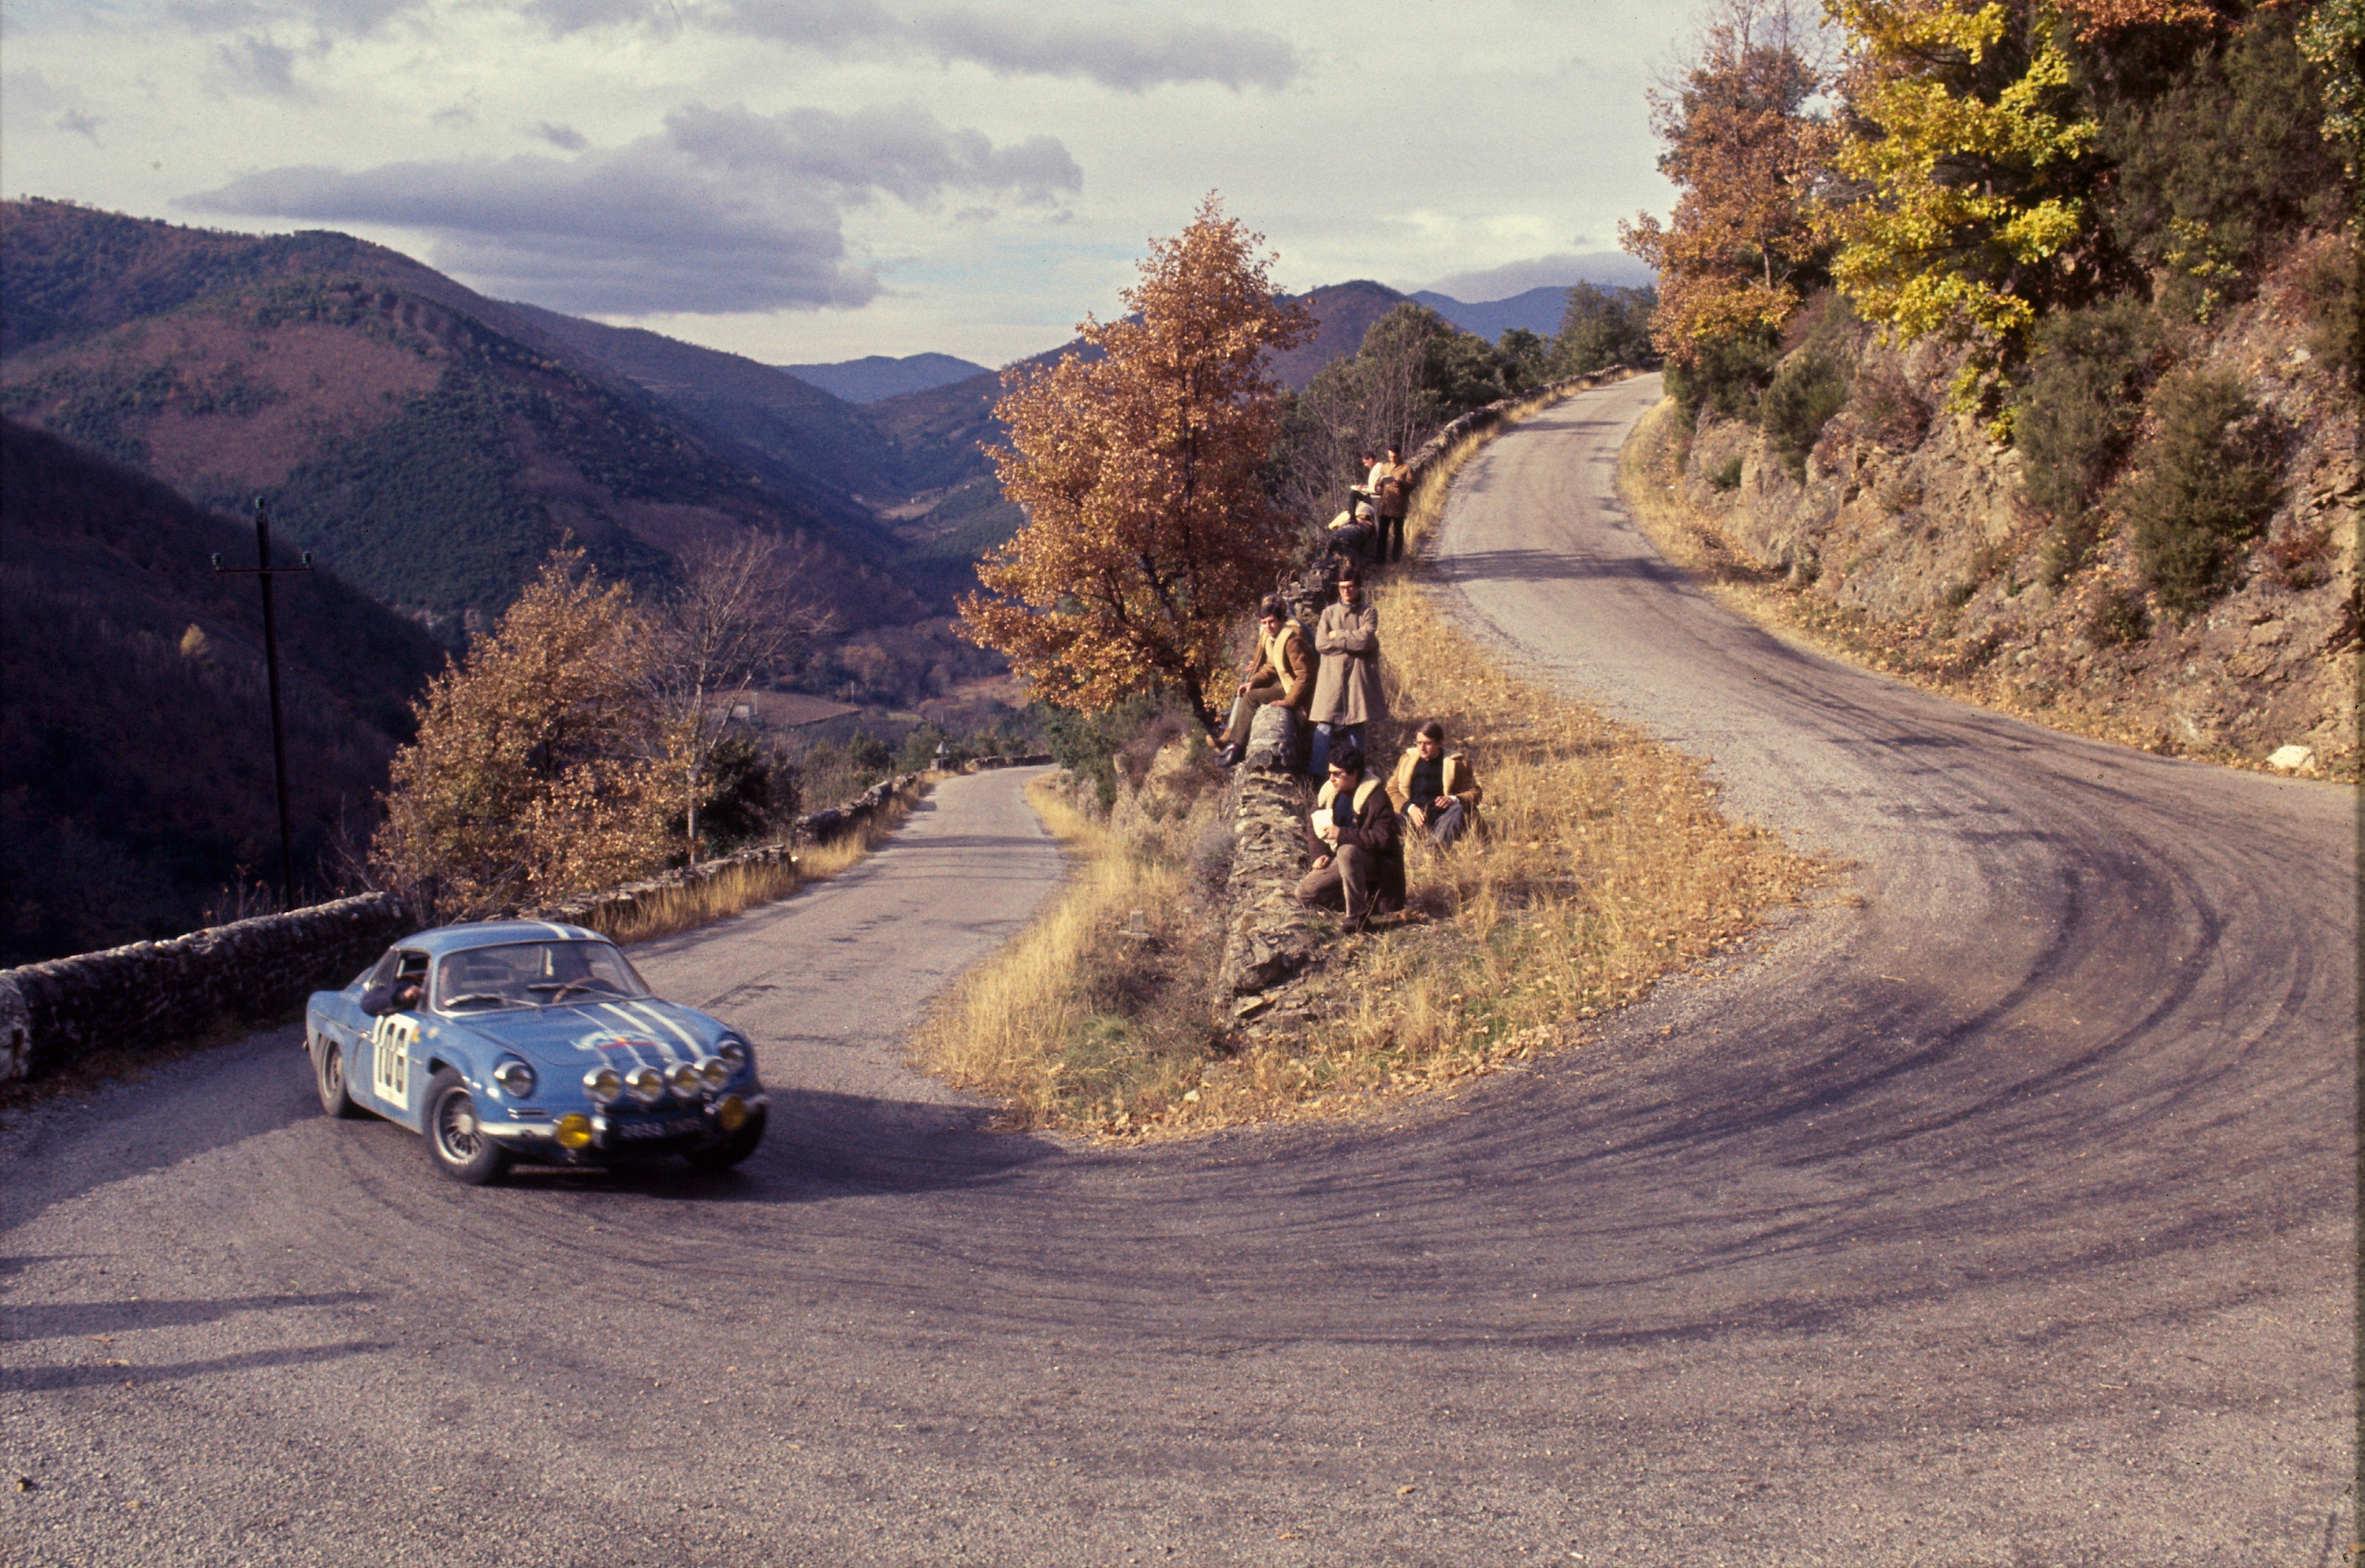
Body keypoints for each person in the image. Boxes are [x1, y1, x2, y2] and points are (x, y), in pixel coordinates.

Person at [1295, 743, 1405, 927]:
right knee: (1304, 893)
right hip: (1340, 859)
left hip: (1374, 862)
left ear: (1354, 774)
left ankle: (1357, 916)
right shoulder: (1331, 792)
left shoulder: (1376, 798)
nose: (1331, 779)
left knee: (1347, 851)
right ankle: (1361, 901)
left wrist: (1342, 834)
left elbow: (1383, 839)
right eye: (1330, 773)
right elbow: (1314, 820)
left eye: (1338, 774)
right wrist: (1320, 853)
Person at [1216, 596, 1313, 765]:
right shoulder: (1272, 638)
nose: (1268, 626)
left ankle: (1237, 747)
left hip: (1295, 688)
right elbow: (1271, 666)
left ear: (1281, 620)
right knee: (1251, 691)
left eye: (1272, 622)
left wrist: (1289, 701)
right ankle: (1234, 743)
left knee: (1252, 697)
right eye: (1264, 623)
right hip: (1286, 683)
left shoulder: (1291, 640)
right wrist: (1253, 682)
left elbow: (1305, 675)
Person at [1307, 565, 1384, 778]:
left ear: (1358, 587)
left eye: (1350, 587)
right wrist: (1352, 639)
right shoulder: (1329, 613)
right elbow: (1321, 644)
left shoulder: (1368, 612)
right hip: (1331, 679)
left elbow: (1367, 639)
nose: (1346, 592)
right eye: (1342, 588)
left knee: (1356, 725)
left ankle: (1355, 772)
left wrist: (1338, 636)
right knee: (1324, 726)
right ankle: (1316, 775)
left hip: (1357, 678)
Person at [1387, 721, 1483, 847]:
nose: (1422, 748)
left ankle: (1435, 847)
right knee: (1380, 814)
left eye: (1427, 743)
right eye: (1419, 743)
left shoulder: (1456, 763)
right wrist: (1409, 808)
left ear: (1440, 743)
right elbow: (1391, 790)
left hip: (1443, 818)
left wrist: (1453, 799)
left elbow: (1475, 792)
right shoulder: (1407, 760)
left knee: (1457, 809)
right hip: (1411, 817)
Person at [1374, 445, 1412, 564]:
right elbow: (1379, 482)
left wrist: (1401, 483)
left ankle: (1396, 559)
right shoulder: (1385, 467)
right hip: (1385, 505)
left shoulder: (1406, 468)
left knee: (1398, 533)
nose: (1392, 459)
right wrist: (1379, 487)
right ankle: (1380, 560)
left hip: (1398, 505)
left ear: (1399, 455)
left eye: (1394, 457)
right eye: (1390, 457)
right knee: (1382, 533)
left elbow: (1412, 484)